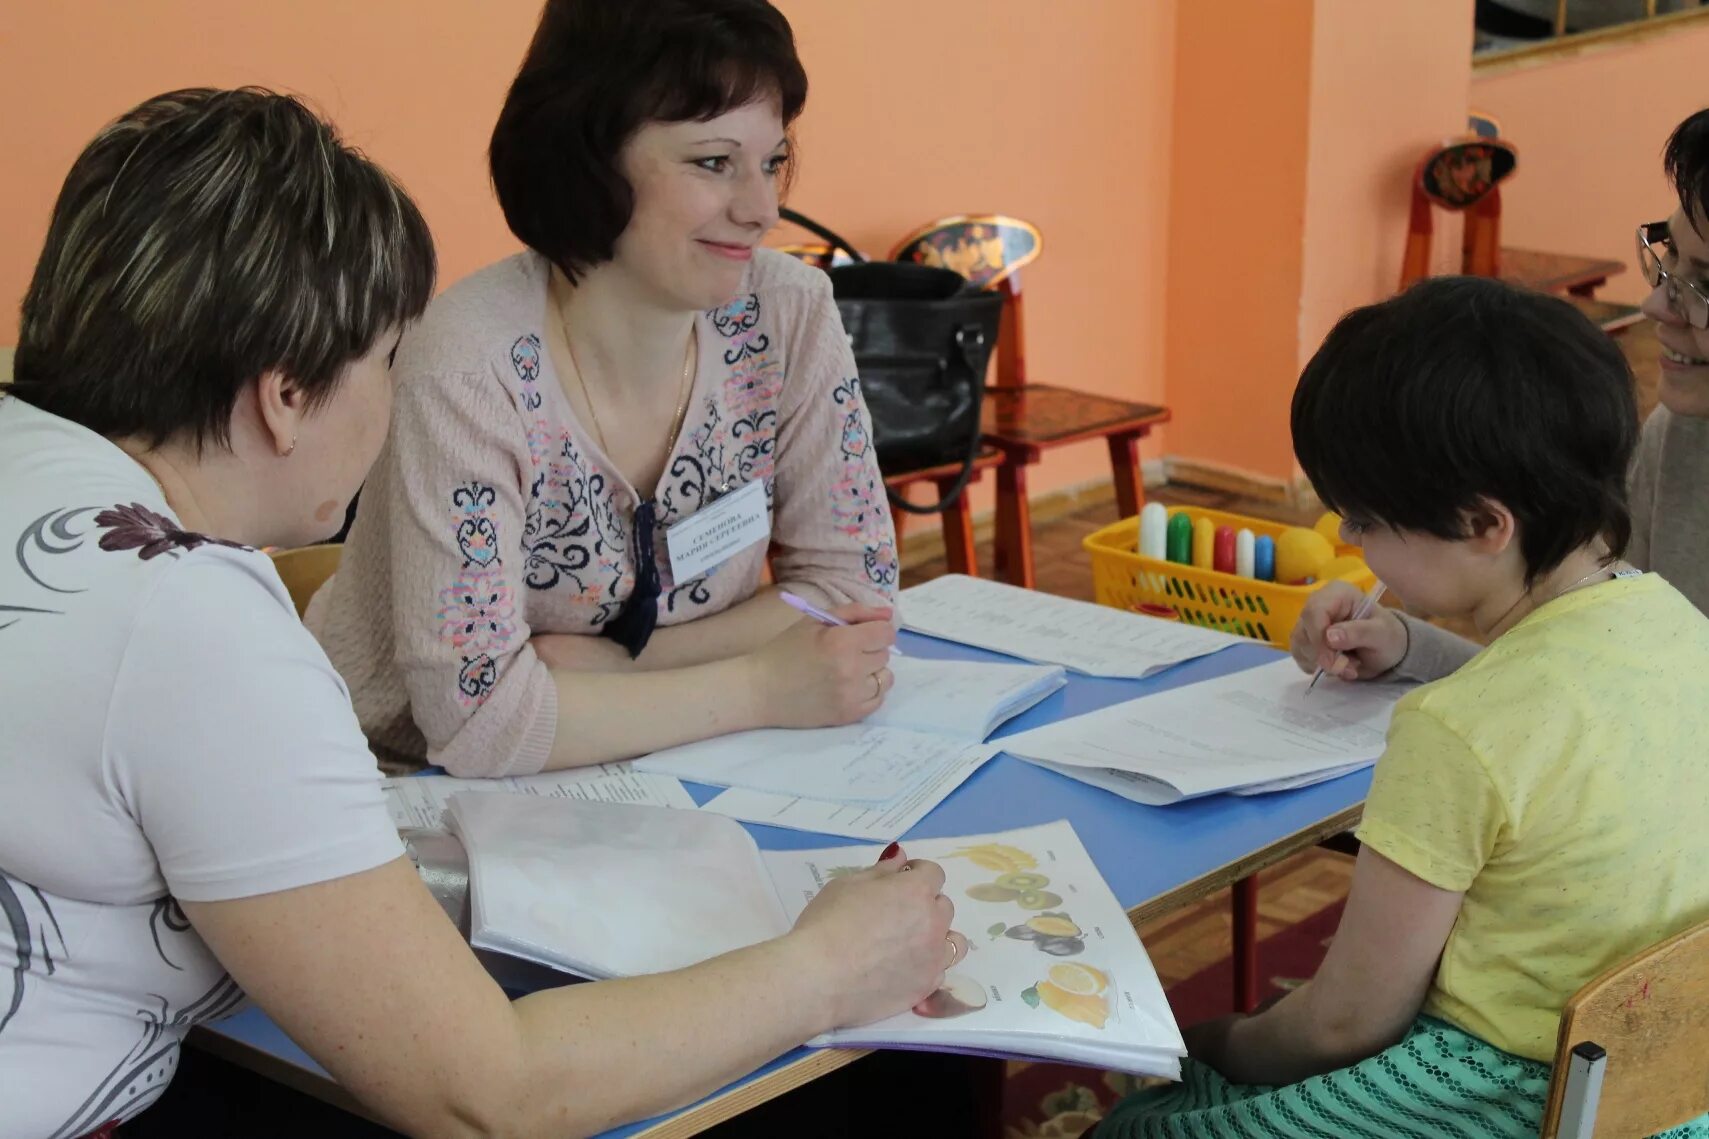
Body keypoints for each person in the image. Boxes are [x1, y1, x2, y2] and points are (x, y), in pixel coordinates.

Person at [0, 86, 962, 1139]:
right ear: (284, 395)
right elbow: (487, 1094)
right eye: (384, 361)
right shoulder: (195, 624)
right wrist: (824, 968)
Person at [1096, 278, 1709, 1138]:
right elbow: (1557, 715)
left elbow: (1345, 1024)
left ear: (1481, 523)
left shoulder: (1453, 730)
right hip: (1667, 1086)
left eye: (1365, 515)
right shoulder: (1678, 625)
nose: (1347, 538)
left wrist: (1205, 1043)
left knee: (1144, 1122)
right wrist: (1411, 644)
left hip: (1500, 1098)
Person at [308, 0, 900, 778]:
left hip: (675, 761)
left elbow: (852, 592)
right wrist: (761, 684)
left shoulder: (787, 312)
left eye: (772, 161)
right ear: (587, 158)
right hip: (406, 786)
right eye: (713, 162)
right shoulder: (465, 370)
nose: (761, 210)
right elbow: (481, 722)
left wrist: (622, 665)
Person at [1295, 106, 1709, 686]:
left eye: (1705, 285)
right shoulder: (1681, 436)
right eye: (1667, 261)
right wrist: (1409, 648)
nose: (1656, 307)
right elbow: (1592, 690)